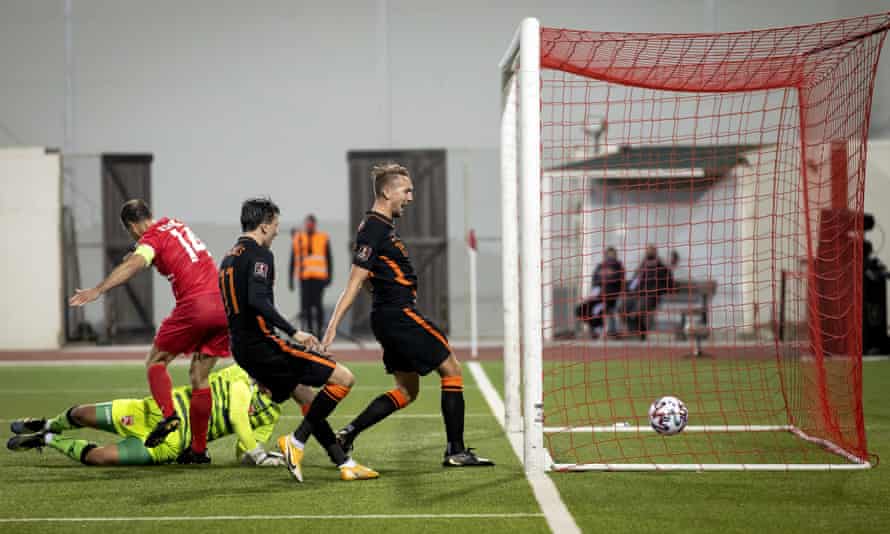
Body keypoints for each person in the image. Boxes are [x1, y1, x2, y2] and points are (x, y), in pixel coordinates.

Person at [321, 162, 494, 468]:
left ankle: (348, 434)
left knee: (407, 390)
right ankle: (455, 450)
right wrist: (333, 326)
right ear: (387, 192)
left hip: (389, 317)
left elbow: (371, 275)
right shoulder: (374, 227)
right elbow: (355, 280)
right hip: (397, 315)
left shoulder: (379, 226)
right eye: (407, 190)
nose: (411, 197)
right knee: (451, 369)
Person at [219, 197, 377, 482]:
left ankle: (344, 463)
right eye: (276, 225)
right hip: (264, 346)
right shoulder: (259, 255)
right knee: (344, 378)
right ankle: (296, 441)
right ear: (265, 226)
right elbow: (257, 301)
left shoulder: (229, 257)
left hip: (242, 348)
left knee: (305, 395)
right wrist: (295, 332)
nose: (278, 232)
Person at [69, 200, 227, 464]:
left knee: (156, 362)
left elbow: (135, 264)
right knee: (200, 377)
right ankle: (199, 451)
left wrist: (98, 289)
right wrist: (134, 251)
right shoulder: (174, 224)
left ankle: (168, 416)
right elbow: (150, 249)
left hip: (196, 305)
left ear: (131, 226)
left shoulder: (150, 239)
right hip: (223, 305)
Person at [6, 364, 287, 467]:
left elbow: (243, 452)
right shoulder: (241, 373)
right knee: (81, 414)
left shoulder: (270, 416)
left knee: (98, 458)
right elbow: (238, 415)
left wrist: (259, 455)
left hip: (170, 442)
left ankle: (49, 439)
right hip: (155, 409)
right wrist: (257, 452)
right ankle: (48, 423)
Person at [289, 214, 332, 337]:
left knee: (318, 306)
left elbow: (329, 259)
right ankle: (308, 332)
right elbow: (292, 260)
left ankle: (318, 332)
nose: (309, 226)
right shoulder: (298, 238)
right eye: (307, 223)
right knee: (305, 307)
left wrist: (329, 277)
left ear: (315, 224)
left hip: (319, 278)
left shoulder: (323, 238)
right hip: (304, 278)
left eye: (311, 223)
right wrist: (291, 280)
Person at [624, 245, 674, 340]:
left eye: (652, 251)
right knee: (622, 308)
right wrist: (629, 292)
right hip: (637, 295)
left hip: (652, 296)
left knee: (636, 311)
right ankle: (636, 331)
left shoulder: (662, 268)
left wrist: (657, 291)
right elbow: (633, 282)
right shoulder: (642, 267)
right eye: (648, 251)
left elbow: (669, 284)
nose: (649, 253)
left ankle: (640, 333)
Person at [575, 247, 625, 338]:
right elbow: (594, 281)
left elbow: (618, 282)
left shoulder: (619, 267)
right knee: (580, 309)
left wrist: (605, 285)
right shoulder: (600, 266)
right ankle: (595, 327)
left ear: (616, 255)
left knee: (597, 309)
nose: (610, 257)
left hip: (610, 298)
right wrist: (595, 291)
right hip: (596, 296)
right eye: (609, 255)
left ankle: (600, 330)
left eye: (612, 255)